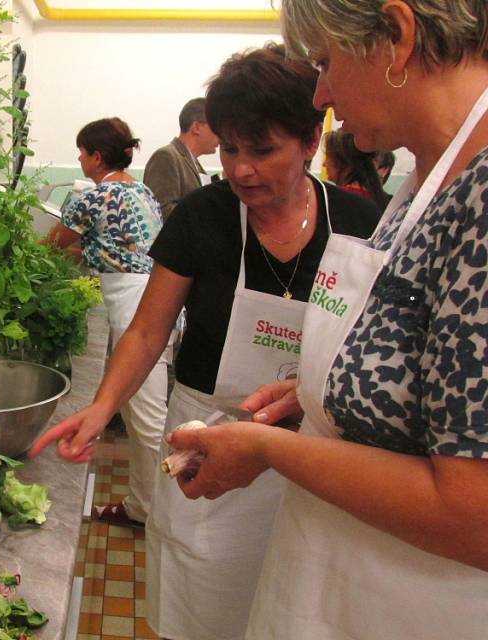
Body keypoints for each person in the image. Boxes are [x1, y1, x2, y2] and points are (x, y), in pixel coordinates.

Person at [32, 43, 380, 640]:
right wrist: (102, 406)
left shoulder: (360, 223)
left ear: (309, 141)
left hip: (316, 452)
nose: (241, 169)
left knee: (299, 607)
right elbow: (147, 330)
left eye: (262, 149)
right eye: (229, 148)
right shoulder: (203, 215)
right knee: (200, 605)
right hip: (205, 442)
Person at [166, 2, 488, 639]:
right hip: (341, 581)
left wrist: (266, 447)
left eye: (324, 62)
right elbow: (416, 382)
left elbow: (474, 514)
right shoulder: (424, 180)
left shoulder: (480, 200)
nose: (322, 92)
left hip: (414, 605)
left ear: (394, 36)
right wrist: (313, 393)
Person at [44, 117, 168, 527]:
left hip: (136, 304)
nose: (79, 159)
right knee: (137, 412)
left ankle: (155, 513)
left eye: (81, 152)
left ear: (97, 156)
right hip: (157, 297)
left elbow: (52, 247)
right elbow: (117, 249)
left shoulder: (94, 197)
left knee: (147, 417)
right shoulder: (140, 189)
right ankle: (142, 505)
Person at [143, 97, 219, 219]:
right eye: (216, 128)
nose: (221, 136)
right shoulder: (166, 156)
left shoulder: (194, 162)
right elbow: (162, 211)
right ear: (197, 127)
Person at [324, 128, 391, 211]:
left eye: (327, 157)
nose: (324, 164)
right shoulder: (386, 200)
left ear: (343, 162)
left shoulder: (336, 201)